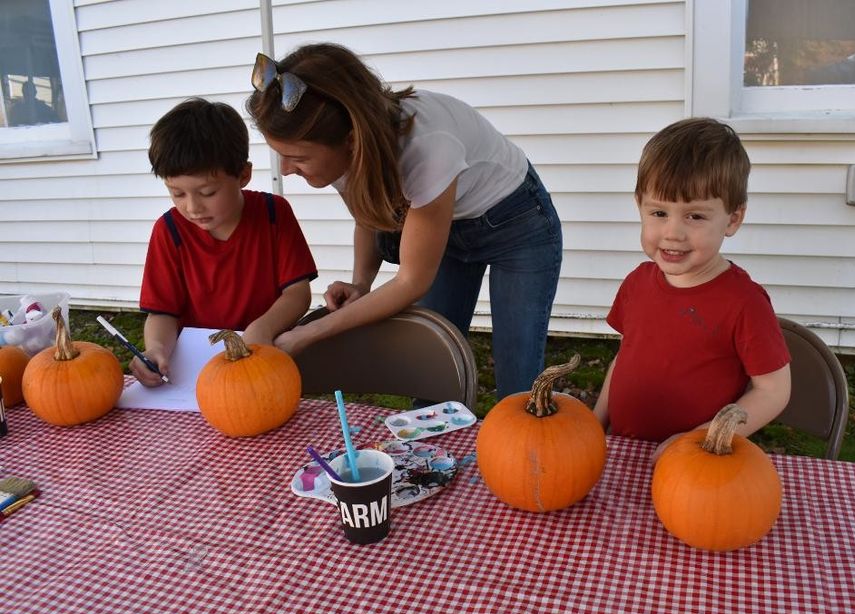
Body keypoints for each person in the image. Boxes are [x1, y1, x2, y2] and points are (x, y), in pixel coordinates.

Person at [246, 44, 562, 399]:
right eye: (281, 156)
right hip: (450, 224)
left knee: (518, 380)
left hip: (517, 221)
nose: (286, 170)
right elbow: (366, 214)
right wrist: (360, 283)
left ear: (352, 140)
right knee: (432, 367)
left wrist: (308, 333)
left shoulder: (428, 147)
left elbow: (411, 281)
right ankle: (428, 453)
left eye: (297, 158)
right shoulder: (344, 147)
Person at [593, 117, 791, 455]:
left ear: (733, 219)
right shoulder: (637, 283)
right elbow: (625, 357)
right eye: (659, 213)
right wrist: (597, 420)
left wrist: (702, 439)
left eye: (695, 216)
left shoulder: (744, 302)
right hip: (623, 451)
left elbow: (773, 391)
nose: (673, 232)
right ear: (639, 204)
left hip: (698, 468)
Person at [133, 98, 318, 387]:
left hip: (266, 356)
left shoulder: (273, 214)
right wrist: (157, 348)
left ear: (243, 175)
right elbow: (162, 312)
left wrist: (260, 330)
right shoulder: (169, 231)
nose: (193, 207)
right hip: (199, 369)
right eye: (177, 194)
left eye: (207, 192)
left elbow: (297, 293)